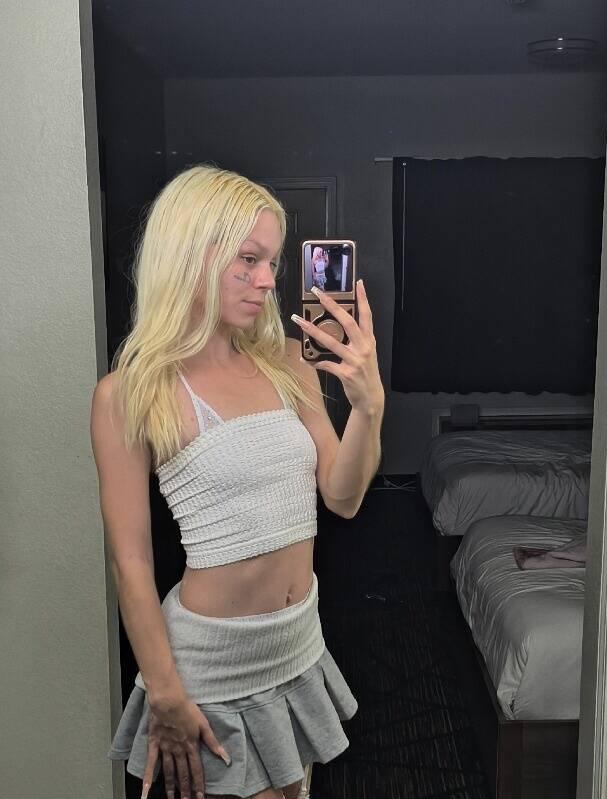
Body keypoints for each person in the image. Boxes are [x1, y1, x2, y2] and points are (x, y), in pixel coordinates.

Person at [90, 165, 385, 799]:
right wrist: (164, 690)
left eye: (272, 262)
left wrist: (368, 407)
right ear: (189, 255)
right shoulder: (130, 393)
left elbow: (342, 497)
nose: (267, 280)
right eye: (248, 259)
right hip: (212, 668)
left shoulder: (287, 363)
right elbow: (131, 559)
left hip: (298, 644)